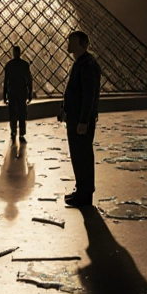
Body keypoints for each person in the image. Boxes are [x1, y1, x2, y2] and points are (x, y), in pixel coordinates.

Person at [62, 29, 101, 207]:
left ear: (82, 44)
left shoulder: (87, 65)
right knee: (78, 156)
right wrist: (64, 110)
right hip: (75, 118)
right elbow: (73, 92)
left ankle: (85, 194)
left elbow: (89, 96)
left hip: (80, 120)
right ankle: (81, 190)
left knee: (83, 156)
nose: (68, 44)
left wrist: (84, 121)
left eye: (72, 41)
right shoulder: (81, 62)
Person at [2, 45, 34, 142]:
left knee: (13, 113)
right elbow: (29, 80)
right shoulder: (24, 64)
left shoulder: (9, 64)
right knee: (22, 113)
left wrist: (4, 95)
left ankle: (13, 131)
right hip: (21, 91)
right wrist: (30, 93)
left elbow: (6, 81)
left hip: (13, 91)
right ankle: (21, 133)